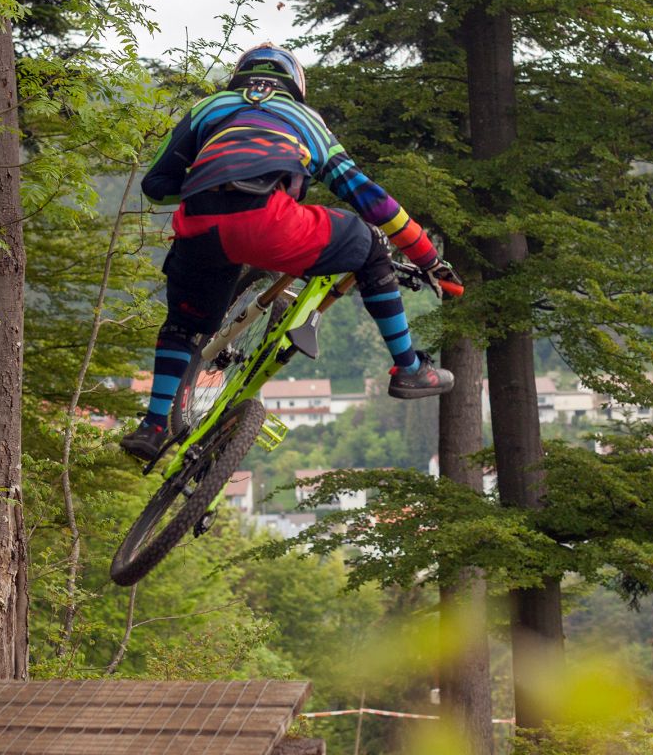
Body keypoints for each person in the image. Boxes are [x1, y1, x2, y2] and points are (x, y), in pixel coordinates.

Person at [122, 43, 461, 462]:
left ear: (240, 75)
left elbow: (155, 186)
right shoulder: (306, 120)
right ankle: (409, 369)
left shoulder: (211, 107)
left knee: (183, 324)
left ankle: (153, 428)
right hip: (272, 224)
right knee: (370, 244)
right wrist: (429, 258)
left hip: (199, 226)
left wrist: (211, 183)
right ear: (296, 84)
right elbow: (369, 199)